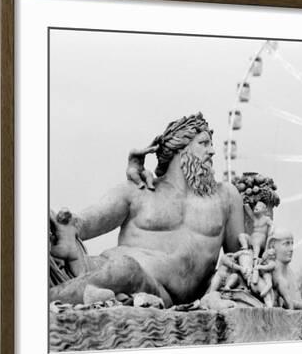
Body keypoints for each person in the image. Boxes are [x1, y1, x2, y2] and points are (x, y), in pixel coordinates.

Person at [49, 113, 244, 307]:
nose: (212, 151)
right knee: (119, 267)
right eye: (204, 143)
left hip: (159, 293)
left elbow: (241, 258)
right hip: (106, 271)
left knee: (125, 268)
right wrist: (66, 226)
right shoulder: (138, 191)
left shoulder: (225, 196)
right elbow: (83, 223)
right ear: (179, 148)